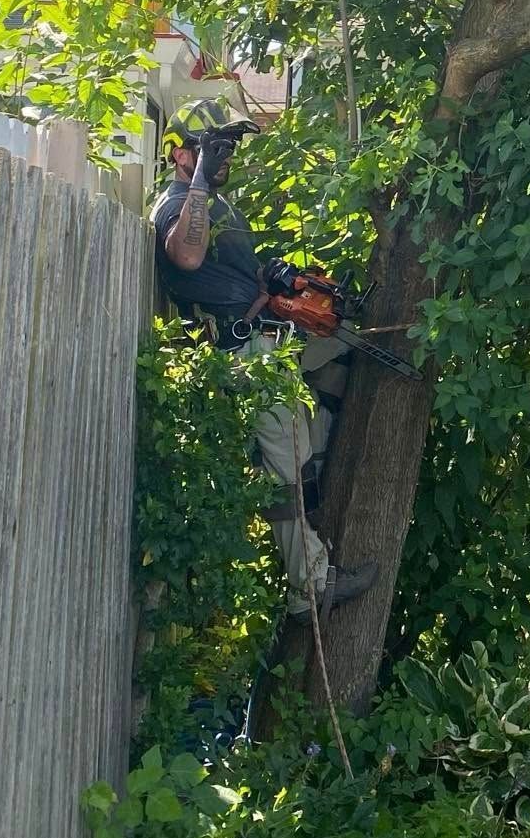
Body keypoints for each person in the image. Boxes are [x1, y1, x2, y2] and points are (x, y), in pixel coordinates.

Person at [150, 97, 376, 619]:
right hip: (241, 353)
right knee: (287, 472)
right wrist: (201, 178)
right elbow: (186, 255)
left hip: (266, 342)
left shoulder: (214, 204)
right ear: (182, 155)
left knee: (347, 338)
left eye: (227, 147)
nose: (226, 156)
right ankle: (310, 587)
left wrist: (269, 277)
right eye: (214, 147)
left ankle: (321, 444)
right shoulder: (175, 204)